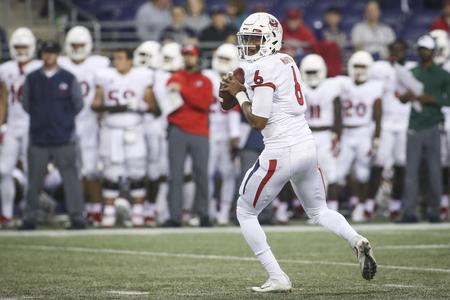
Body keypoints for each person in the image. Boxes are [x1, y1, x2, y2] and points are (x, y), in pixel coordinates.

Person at [221, 12, 376, 292]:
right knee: (318, 210)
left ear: (270, 40)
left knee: (244, 212)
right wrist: (235, 92)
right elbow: (232, 101)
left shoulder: (262, 68)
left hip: (280, 150)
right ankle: (356, 240)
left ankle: (277, 276)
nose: (249, 45)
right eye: (247, 40)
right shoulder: (286, 60)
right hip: (306, 144)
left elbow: (258, 121)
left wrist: (241, 94)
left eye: (255, 40)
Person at [20, 40, 86, 230]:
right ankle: (29, 218)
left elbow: (78, 104)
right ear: (41, 55)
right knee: (34, 180)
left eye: (53, 52)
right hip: (39, 137)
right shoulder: (32, 78)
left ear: (58, 54)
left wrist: (63, 122)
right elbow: (26, 104)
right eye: (46, 53)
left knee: (71, 178)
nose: (49, 56)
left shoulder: (68, 77)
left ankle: (77, 216)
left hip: (63, 137)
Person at [92, 48, 156, 227]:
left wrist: (141, 105)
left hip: (133, 129)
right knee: (111, 172)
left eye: (120, 58)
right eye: (115, 58)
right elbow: (95, 104)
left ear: (130, 61)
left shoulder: (142, 76)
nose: (116, 62)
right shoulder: (104, 76)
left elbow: (153, 107)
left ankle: (138, 214)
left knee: (137, 171)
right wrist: (118, 107)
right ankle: (109, 214)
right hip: (111, 130)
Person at [58, 26, 110, 226]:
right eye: (74, 45)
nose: (78, 48)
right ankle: (78, 211)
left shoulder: (100, 64)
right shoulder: (61, 64)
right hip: (66, 124)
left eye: (81, 44)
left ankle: (96, 211)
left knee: (91, 170)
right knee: (72, 171)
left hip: (90, 123)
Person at [369, 40, 424, 221]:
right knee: (379, 163)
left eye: (400, 50)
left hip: (405, 121)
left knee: (401, 164)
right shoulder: (380, 68)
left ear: (406, 51)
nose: (397, 53)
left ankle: (395, 205)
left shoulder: (413, 68)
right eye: (394, 50)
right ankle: (370, 204)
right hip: (386, 122)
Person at [399, 35, 450, 223]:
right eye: (420, 48)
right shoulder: (412, 72)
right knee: (411, 172)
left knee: (434, 171)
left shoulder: (443, 74)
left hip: (433, 126)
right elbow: (402, 98)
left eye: (426, 48)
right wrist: (405, 96)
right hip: (414, 125)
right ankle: (409, 212)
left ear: (433, 51)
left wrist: (433, 99)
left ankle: (435, 212)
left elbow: (449, 99)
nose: (423, 51)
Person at [164, 44, 213, 227]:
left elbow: (203, 103)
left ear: (197, 57)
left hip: (200, 131)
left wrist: (183, 91)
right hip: (177, 129)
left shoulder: (205, 80)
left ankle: (204, 214)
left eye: (191, 55)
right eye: (185, 55)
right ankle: (175, 216)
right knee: (175, 175)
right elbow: (169, 102)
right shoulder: (174, 77)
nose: (188, 58)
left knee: (201, 174)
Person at [0, 28, 42, 227]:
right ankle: (7, 214)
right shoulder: (5, 69)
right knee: (3, 170)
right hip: (12, 125)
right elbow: (3, 101)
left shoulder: (40, 67)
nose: (21, 50)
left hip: (32, 125)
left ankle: (29, 212)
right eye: (17, 46)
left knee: (31, 171)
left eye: (24, 46)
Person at [336, 51, 383, 222]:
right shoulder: (343, 83)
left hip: (364, 131)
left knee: (363, 173)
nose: (359, 70)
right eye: (356, 66)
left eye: (363, 66)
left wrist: (376, 138)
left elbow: (378, 115)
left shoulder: (375, 86)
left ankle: (361, 207)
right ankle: (353, 202)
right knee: (340, 173)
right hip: (347, 132)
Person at [203, 44, 240, 225]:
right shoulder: (206, 77)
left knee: (228, 173)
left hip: (226, 134)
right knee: (207, 173)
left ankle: (224, 211)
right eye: (221, 58)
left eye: (227, 59)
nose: (222, 63)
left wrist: (235, 136)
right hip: (207, 132)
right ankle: (209, 209)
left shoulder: (235, 80)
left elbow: (235, 111)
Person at [300, 54, 342, 211]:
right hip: (306, 135)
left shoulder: (331, 86)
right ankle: (314, 210)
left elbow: (338, 112)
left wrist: (337, 135)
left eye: (314, 72)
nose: (311, 76)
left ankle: (333, 208)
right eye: (308, 72)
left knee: (331, 173)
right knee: (305, 175)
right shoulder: (300, 87)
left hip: (325, 134)